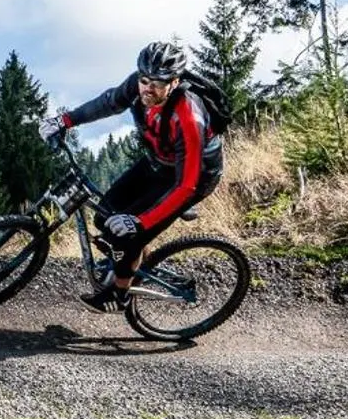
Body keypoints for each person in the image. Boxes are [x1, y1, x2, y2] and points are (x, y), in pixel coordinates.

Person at [38, 40, 223, 313]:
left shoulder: (188, 116)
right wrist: (65, 120)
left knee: (127, 234)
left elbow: (186, 186)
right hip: (158, 161)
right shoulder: (137, 85)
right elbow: (108, 103)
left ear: (174, 82)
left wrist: (139, 222)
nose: (148, 88)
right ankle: (136, 261)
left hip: (193, 176)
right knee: (104, 216)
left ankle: (120, 294)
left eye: (158, 83)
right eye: (145, 80)